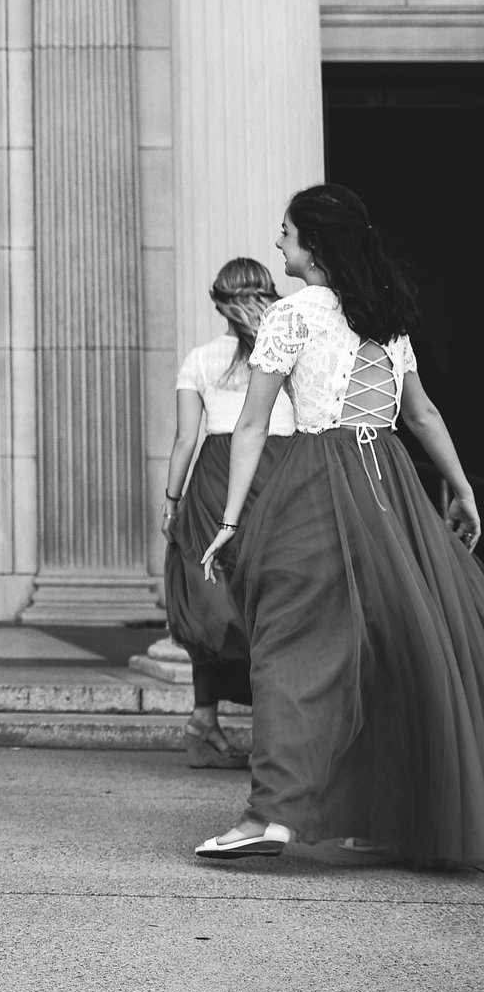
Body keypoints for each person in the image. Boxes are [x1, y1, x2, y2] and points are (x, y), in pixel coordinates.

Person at [195, 184, 484, 865]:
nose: (278, 242)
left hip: (321, 482)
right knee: (391, 646)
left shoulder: (291, 316)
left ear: (313, 246)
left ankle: (273, 814)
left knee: (288, 640)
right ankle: (382, 815)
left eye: (287, 232)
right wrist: (465, 489)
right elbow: (421, 416)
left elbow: (253, 423)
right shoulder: (386, 316)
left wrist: (230, 518)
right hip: (393, 488)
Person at [160, 258, 297, 770]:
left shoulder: (200, 358)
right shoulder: (289, 353)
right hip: (279, 473)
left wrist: (171, 501)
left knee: (213, 600)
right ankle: (278, 735)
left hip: (215, 481)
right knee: (277, 601)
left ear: (218, 302)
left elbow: (183, 441)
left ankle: (204, 723)